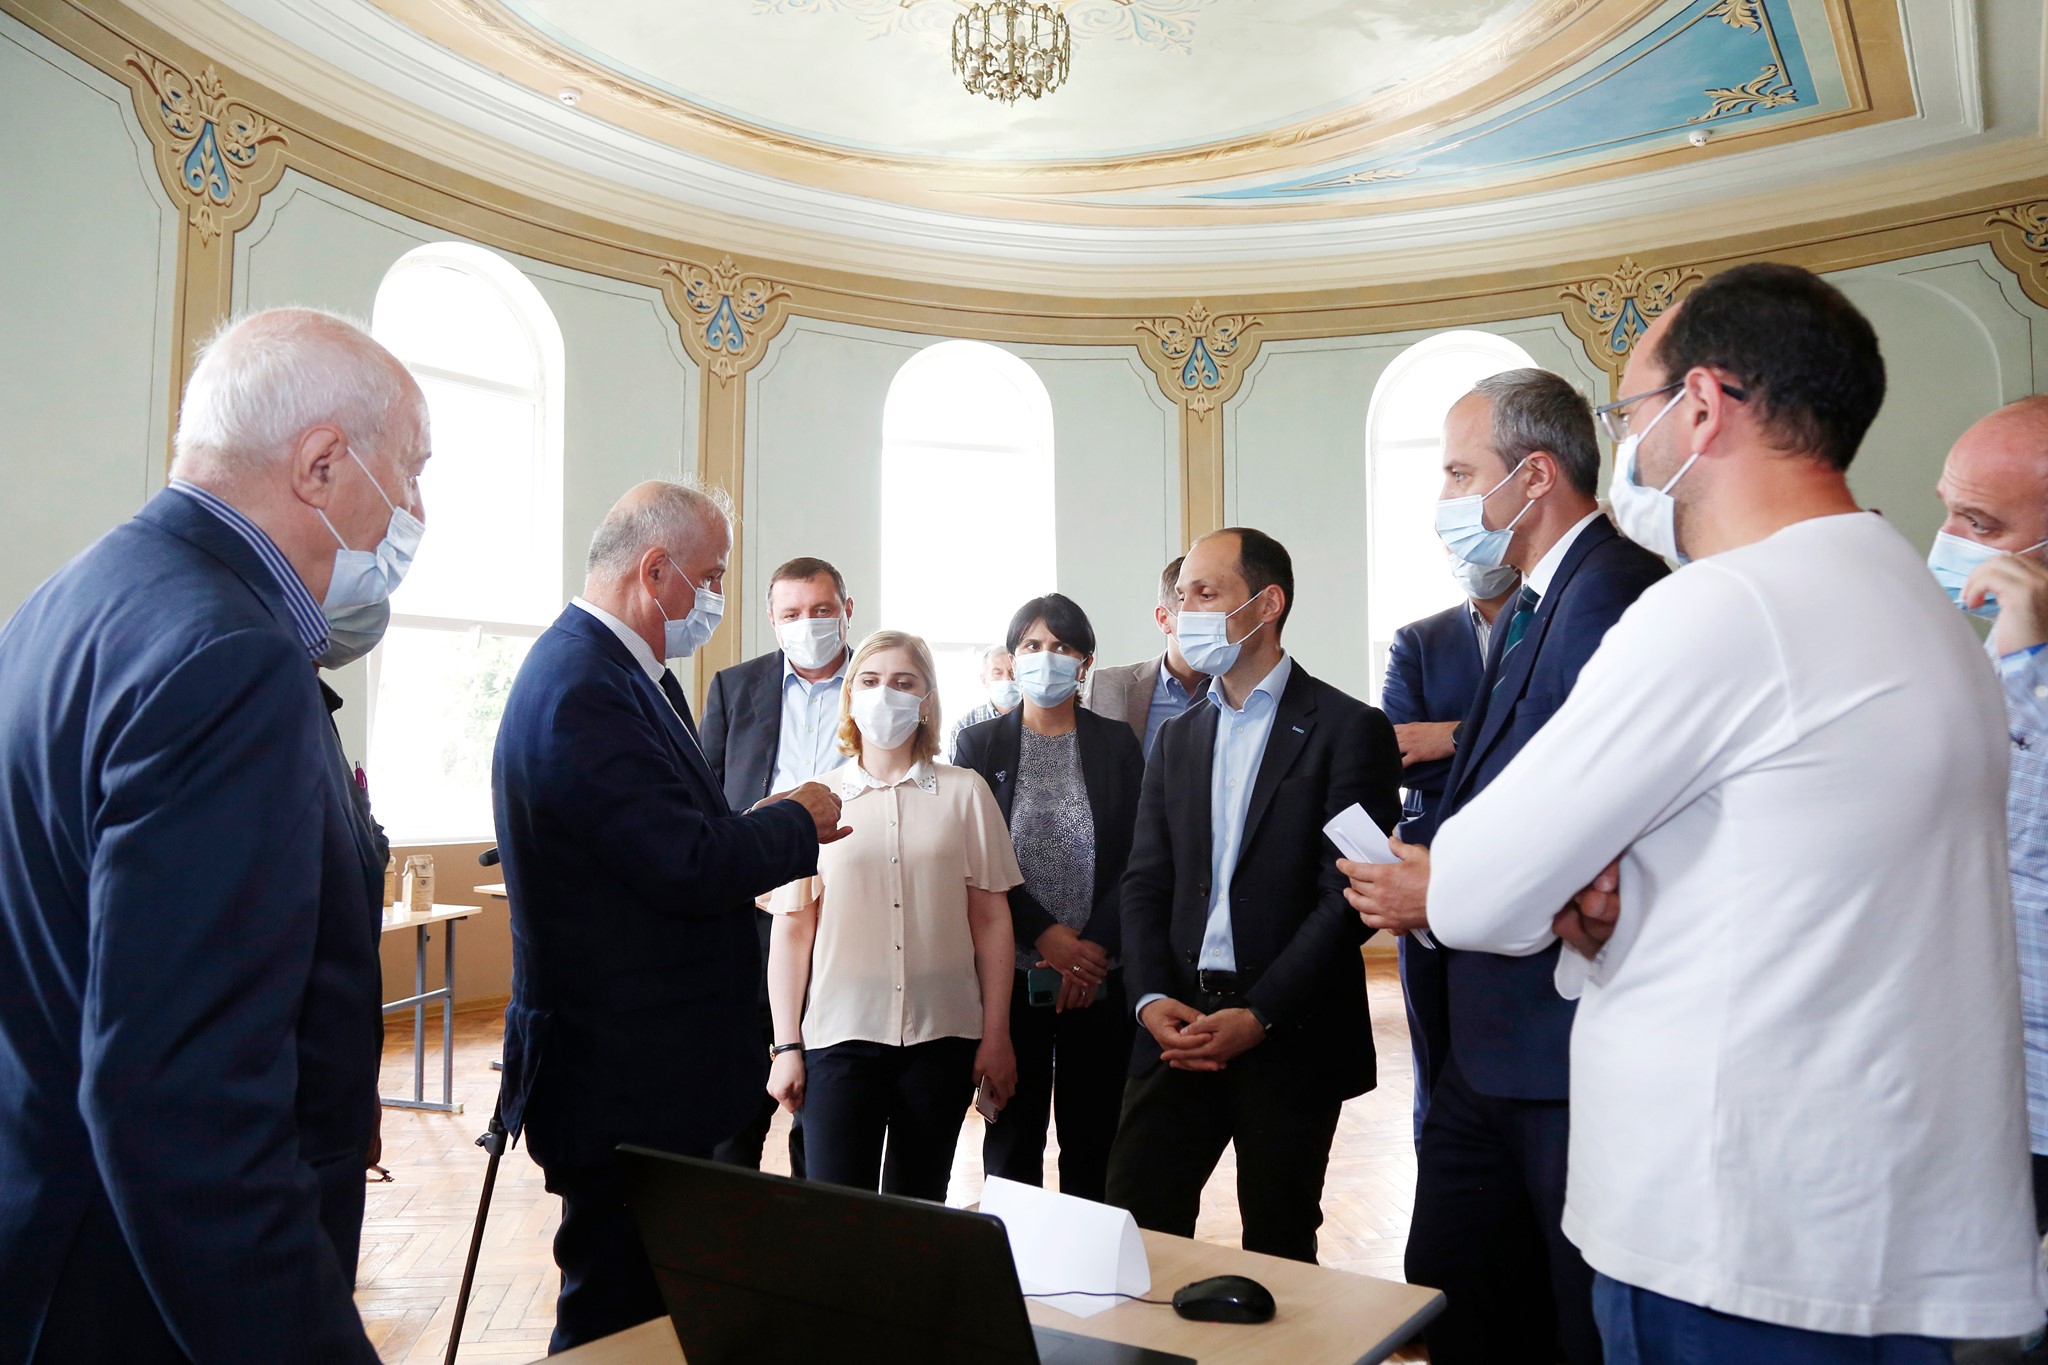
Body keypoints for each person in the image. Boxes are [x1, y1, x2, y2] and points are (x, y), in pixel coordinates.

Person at [1428, 264, 2044, 1362]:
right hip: (1875, 1226)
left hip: (1730, 1238)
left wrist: (1579, 891)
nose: (1628, 447)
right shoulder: (1915, 600)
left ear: (1701, 406)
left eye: (1629, 413)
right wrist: (1623, 900)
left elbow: (1472, 888)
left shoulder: (1726, 607)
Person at [0, 308, 427, 1361]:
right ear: (322, 465)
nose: (416, 508)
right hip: (137, 1287)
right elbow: (185, 1106)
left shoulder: (67, 602)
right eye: (411, 471)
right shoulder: (231, 657)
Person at [1344, 367, 1667, 1364]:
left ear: (1532, 476)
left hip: (1553, 1045)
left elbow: (1574, 805)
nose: (1445, 498)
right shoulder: (1538, 599)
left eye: (1457, 472)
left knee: (1559, 1322)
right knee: (1467, 1299)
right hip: (1492, 1044)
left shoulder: (1608, 589)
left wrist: (1435, 885)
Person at [492, 480, 845, 1352]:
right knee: (616, 1321)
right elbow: (684, 863)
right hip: (624, 1077)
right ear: (656, 571)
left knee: (655, 1310)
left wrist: (754, 824)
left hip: (647, 1069)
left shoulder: (616, 672)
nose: (717, 596)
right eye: (712, 575)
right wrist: (797, 821)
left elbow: (666, 838)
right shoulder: (586, 685)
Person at [1103, 528, 1402, 1262]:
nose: (1188, 612)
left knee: (1279, 1245)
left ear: (1267, 604)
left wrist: (1261, 1013)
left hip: (1290, 1030)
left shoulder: (1349, 729)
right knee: (1135, 1234)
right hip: (1178, 1023)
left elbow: (1346, 895)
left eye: (1207, 593)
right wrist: (1149, 998)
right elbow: (1145, 880)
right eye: (1183, 596)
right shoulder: (1178, 737)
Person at [766, 630, 1022, 1200]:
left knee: (918, 1208)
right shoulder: (815, 800)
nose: (886, 693)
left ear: (926, 700)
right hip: (839, 1037)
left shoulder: (965, 793)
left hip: (943, 1036)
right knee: (837, 1208)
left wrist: (997, 1034)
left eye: (904, 682)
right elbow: (793, 929)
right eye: (871, 680)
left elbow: (991, 921)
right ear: (851, 697)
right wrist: (786, 1046)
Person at [954, 594, 1146, 1201]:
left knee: (1096, 1140)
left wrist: (1091, 950)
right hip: (1010, 975)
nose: (1046, 657)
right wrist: (1046, 935)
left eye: (1061, 646)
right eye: (1032, 645)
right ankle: (1015, 1255)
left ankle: (1090, 1257)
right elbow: (976, 863)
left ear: (1085, 662)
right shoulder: (979, 745)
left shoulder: (1118, 743)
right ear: (1012, 659)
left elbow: (1138, 855)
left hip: (1098, 974)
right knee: (1012, 1139)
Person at [1930, 396, 2048, 1245]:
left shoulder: (2021, 658)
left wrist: (2028, 662)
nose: (1949, 541)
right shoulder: (2002, 646)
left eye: (1980, 523)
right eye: (1949, 510)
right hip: (1978, 1090)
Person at [701, 555, 856, 1177]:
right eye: (792, 613)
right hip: (756, 910)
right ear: (772, 619)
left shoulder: (878, 684)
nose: (808, 623)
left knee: (825, 1105)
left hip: (850, 906)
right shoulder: (734, 688)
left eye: (822, 610)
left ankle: (811, 1207)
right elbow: (707, 801)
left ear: (847, 611)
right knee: (736, 1104)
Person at [1378, 565, 1518, 1144]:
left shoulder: (1554, 622)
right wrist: (1511, 750)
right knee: (1435, 1051)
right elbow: (1400, 753)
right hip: (1427, 869)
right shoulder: (1419, 640)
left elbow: (1568, 734)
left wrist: (1453, 736)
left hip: (1530, 863)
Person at [1085, 555, 1207, 755]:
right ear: (1163, 619)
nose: (1207, 622)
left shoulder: (1240, 689)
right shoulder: (1108, 687)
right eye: (1192, 615)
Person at [945, 643, 1018, 759]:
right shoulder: (965, 725)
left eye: (1012, 672)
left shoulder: (1036, 720)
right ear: (984, 680)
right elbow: (956, 769)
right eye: (998, 673)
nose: (1007, 679)